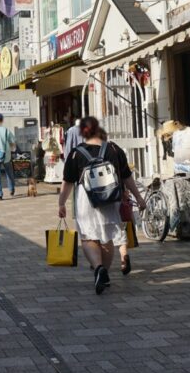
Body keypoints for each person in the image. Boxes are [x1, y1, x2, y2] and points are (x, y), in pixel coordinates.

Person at [58, 117, 146, 294]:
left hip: (86, 200)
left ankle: (99, 268)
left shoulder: (76, 153)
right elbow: (127, 177)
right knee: (107, 238)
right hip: (110, 198)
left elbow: (67, 182)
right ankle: (104, 272)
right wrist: (139, 198)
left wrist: (61, 203)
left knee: (88, 238)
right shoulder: (114, 149)